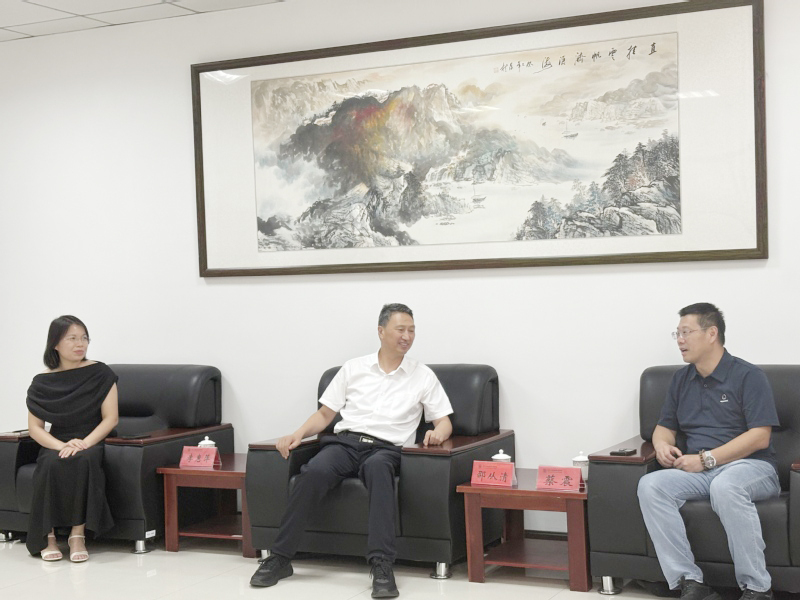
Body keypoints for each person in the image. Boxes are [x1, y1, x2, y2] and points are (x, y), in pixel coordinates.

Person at [250, 303, 453, 598]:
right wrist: (297, 434)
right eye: (400, 329)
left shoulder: (422, 375)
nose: (407, 336)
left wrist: (437, 434)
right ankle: (280, 558)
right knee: (313, 472)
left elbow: (444, 421)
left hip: (386, 449)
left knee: (378, 471)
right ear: (381, 331)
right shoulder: (353, 368)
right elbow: (325, 415)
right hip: (345, 443)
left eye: (412, 330)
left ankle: (382, 565)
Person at [637, 303, 780, 600]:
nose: (680, 340)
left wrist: (706, 459)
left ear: (712, 333)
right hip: (701, 471)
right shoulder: (681, 379)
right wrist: (662, 445)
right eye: (677, 333)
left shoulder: (748, 376)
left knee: (726, 486)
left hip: (751, 467)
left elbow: (760, 437)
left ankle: (757, 588)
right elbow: (664, 426)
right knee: (651, 485)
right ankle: (690, 581)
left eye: (686, 332)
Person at [25, 315, 119, 562]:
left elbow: (111, 419)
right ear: (55, 344)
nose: (80, 344)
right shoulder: (42, 381)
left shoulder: (101, 373)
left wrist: (85, 443)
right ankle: (48, 537)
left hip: (92, 437)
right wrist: (61, 445)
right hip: (58, 440)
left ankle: (77, 536)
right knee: (49, 463)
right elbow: (35, 428)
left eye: (84, 338)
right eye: (72, 338)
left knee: (84, 459)